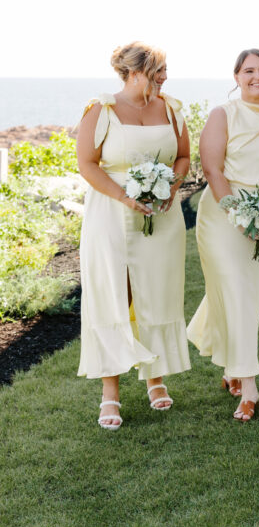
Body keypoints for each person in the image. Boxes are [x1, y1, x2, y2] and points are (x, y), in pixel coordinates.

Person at [77, 42, 191, 430]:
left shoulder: (171, 109)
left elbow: (183, 157)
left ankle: (154, 377)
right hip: (111, 214)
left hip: (161, 216)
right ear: (135, 72)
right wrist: (125, 196)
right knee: (116, 293)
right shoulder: (101, 110)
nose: (164, 78)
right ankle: (110, 394)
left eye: (165, 71)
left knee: (155, 292)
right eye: (158, 71)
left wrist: (169, 187)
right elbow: (87, 165)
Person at [187, 49, 259, 422]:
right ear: (236, 77)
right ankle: (249, 386)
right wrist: (240, 216)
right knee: (234, 289)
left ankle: (232, 367)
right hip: (223, 213)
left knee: (248, 298)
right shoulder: (224, 115)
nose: (257, 77)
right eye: (249, 71)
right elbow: (212, 170)